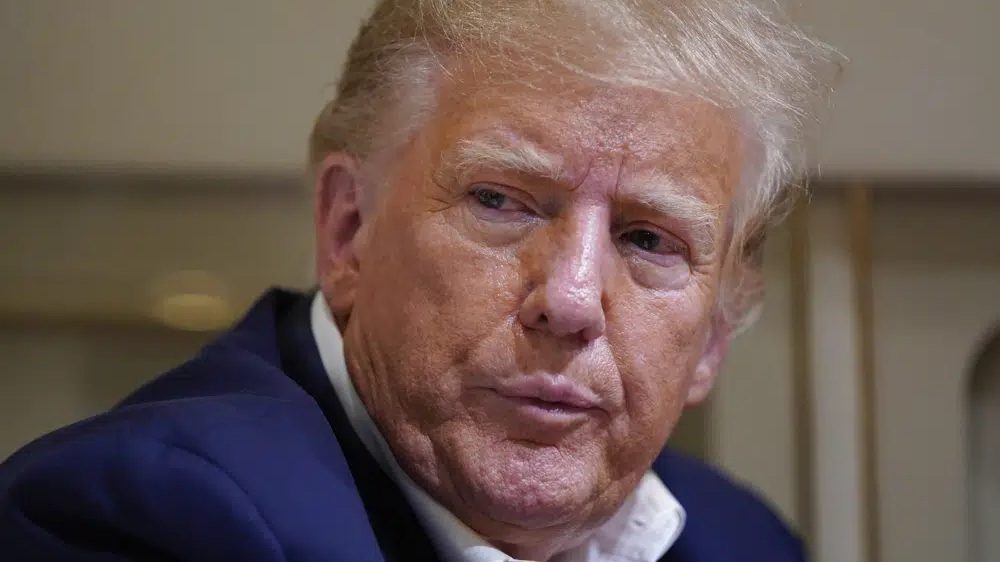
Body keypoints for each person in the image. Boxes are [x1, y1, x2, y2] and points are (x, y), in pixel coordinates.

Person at [0, 1, 839, 560]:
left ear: (715, 338)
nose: (574, 299)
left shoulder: (745, 541)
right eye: (501, 201)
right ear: (348, 231)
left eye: (649, 238)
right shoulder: (150, 521)